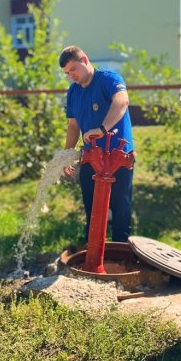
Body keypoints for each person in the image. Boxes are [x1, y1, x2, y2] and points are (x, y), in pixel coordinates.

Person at [60, 45, 134, 243]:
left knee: (121, 210)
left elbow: (122, 102)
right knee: (92, 209)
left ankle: (120, 255)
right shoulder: (73, 91)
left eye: (73, 69)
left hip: (119, 157)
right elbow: (73, 126)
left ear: (84, 59)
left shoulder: (109, 78)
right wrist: (67, 155)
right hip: (91, 158)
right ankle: (91, 254)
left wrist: (102, 129)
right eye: (67, 73)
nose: (71, 76)